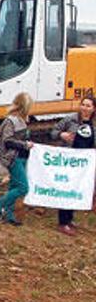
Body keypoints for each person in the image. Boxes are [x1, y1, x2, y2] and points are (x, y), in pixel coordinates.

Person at [49, 94, 96, 235]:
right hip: (69, 161)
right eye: (83, 104)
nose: (84, 108)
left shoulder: (94, 124)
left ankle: (69, 218)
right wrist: (61, 135)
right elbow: (53, 132)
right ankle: (62, 222)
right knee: (67, 189)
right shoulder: (70, 119)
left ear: (93, 109)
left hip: (85, 164)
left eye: (88, 106)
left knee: (77, 189)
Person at [0, 92, 34, 226]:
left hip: (22, 157)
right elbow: (7, 141)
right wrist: (25, 145)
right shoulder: (11, 121)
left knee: (14, 185)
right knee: (23, 187)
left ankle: (7, 212)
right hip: (13, 157)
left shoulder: (22, 120)